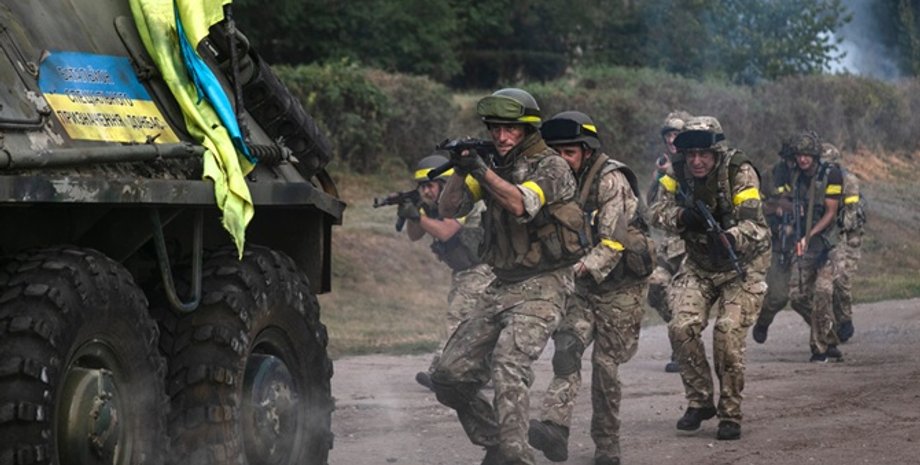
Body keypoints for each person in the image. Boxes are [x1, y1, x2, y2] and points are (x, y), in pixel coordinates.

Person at [429, 88, 580, 465]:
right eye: (495, 128)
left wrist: (482, 171)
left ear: (527, 129)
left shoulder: (552, 166)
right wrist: (461, 170)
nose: (501, 136)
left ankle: (516, 456)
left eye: (510, 129)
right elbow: (448, 208)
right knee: (447, 376)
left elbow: (520, 204)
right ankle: (499, 441)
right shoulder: (493, 164)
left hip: (545, 284)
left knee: (508, 366)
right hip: (501, 283)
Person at [528, 111, 654, 465]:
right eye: (556, 152)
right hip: (581, 284)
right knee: (567, 348)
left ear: (586, 151)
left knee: (605, 367)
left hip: (622, 286)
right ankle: (555, 427)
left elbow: (613, 243)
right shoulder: (552, 179)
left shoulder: (611, 179)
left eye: (569, 152)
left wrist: (577, 269)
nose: (562, 159)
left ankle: (607, 443)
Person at [647, 116, 771, 440]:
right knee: (680, 326)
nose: (696, 161)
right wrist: (681, 217)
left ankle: (730, 413)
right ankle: (700, 401)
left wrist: (731, 237)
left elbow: (756, 225)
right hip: (699, 264)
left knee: (727, 333)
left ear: (716, 153)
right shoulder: (676, 172)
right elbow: (655, 211)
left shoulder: (738, 172)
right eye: (691, 154)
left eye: (703, 154)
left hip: (741, 265)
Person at [395, 154, 495, 389]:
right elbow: (414, 235)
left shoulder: (461, 199)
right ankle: (484, 372)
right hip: (464, 272)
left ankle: (440, 373)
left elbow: (446, 232)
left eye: (430, 185)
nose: (425, 191)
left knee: (457, 319)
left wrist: (417, 216)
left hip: (481, 270)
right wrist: (413, 214)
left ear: (444, 184)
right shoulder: (433, 207)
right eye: (421, 187)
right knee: (478, 323)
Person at [786, 132, 844, 362]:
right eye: (799, 154)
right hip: (807, 245)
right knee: (797, 297)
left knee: (822, 291)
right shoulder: (796, 177)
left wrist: (809, 235)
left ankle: (819, 349)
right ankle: (829, 335)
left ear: (815, 155)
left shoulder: (832, 175)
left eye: (807, 155)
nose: (803, 159)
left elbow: (830, 213)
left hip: (829, 243)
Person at [646, 110, 693, 373]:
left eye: (677, 134)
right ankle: (684, 330)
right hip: (668, 246)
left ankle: (682, 350)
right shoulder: (665, 165)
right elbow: (651, 205)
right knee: (655, 287)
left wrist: (673, 171)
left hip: (691, 246)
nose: (672, 140)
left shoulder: (696, 162)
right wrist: (658, 175)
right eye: (668, 135)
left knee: (680, 297)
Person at [752, 138, 809, 343]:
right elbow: (754, 206)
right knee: (777, 296)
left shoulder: (813, 177)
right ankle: (763, 322)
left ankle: (825, 335)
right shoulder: (771, 176)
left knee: (806, 296)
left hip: (808, 242)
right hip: (779, 241)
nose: (797, 163)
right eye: (791, 159)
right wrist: (776, 208)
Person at [822, 142, 865, 343]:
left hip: (849, 237)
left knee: (842, 280)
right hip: (829, 236)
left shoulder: (848, 181)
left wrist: (835, 227)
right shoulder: (819, 180)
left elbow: (851, 215)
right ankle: (831, 324)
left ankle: (845, 320)